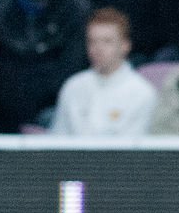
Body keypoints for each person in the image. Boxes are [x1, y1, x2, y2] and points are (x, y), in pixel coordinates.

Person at [50, 8, 157, 136]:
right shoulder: (73, 86)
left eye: (107, 41)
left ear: (125, 45)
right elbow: (57, 140)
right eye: (92, 41)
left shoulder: (142, 93)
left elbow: (134, 151)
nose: (98, 49)